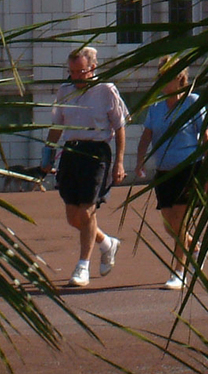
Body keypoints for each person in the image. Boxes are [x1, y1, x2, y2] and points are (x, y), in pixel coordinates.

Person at [42, 45, 127, 287]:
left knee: (88, 210)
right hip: (71, 151)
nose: (76, 77)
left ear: (92, 69)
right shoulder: (65, 90)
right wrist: (47, 154)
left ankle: (82, 266)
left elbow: (120, 127)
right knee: (73, 216)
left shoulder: (107, 90)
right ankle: (107, 243)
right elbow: (57, 125)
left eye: (80, 72)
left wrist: (119, 162)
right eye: (72, 72)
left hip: (96, 151)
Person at [134, 57, 208, 291]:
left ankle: (179, 273)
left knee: (179, 219)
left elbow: (206, 135)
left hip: (188, 168)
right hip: (163, 171)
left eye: (168, 75)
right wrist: (139, 162)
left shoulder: (193, 102)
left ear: (180, 78)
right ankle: (193, 247)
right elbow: (146, 137)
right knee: (169, 225)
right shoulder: (155, 108)